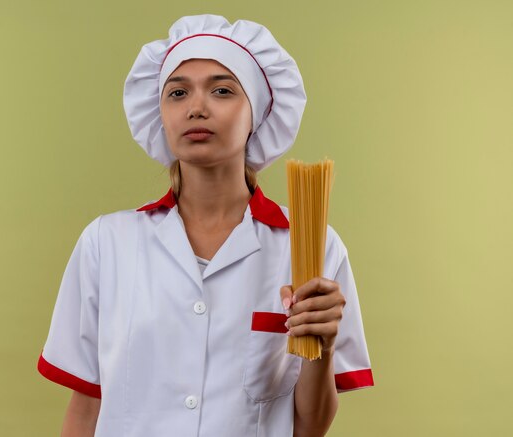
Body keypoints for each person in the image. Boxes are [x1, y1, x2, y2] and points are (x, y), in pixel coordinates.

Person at [37, 14, 373, 437]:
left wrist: (320, 347)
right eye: (177, 93)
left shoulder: (311, 245)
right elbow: (86, 407)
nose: (196, 107)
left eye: (222, 90)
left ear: (258, 114)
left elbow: (309, 427)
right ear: (160, 115)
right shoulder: (106, 243)